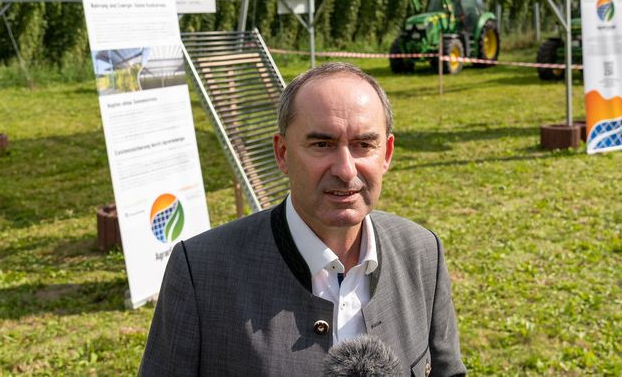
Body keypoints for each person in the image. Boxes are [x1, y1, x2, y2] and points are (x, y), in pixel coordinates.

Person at [139, 62, 465, 376]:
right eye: (322, 144)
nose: (345, 169)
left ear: (387, 154)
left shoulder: (422, 253)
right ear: (282, 153)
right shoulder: (202, 273)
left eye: (363, 145)